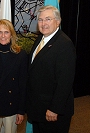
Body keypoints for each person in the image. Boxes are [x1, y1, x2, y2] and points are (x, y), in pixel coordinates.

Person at [26, 5, 76, 133]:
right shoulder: (41, 39)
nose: (43, 23)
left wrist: (55, 108)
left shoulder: (64, 44)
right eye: (41, 20)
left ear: (58, 22)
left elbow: (65, 81)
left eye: (48, 19)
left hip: (53, 112)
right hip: (39, 108)